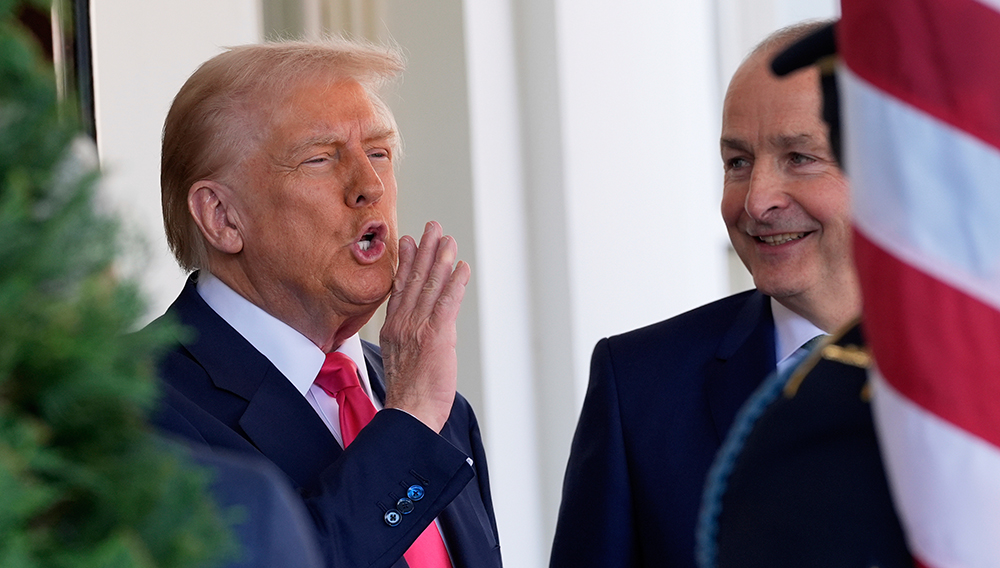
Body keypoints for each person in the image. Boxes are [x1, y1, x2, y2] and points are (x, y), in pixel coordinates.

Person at [147, 38, 501, 568]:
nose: (370, 185)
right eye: (319, 159)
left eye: (378, 153)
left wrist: (415, 412)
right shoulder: (134, 404)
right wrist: (407, 424)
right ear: (222, 216)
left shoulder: (431, 398)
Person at [550, 20, 859, 568]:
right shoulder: (639, 386)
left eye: (799, 157)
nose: (757, 199)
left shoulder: (978, 370)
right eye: (738, 162)